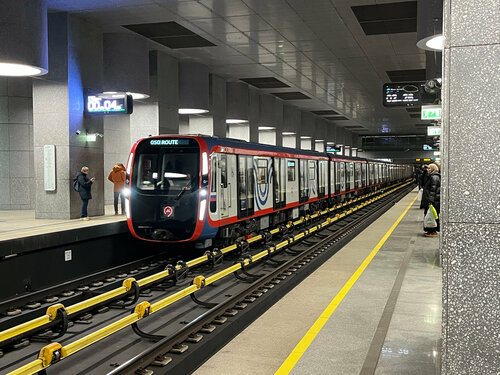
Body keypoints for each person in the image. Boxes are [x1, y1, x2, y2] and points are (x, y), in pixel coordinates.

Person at [421, 163, 440, 237]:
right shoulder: (432, 176)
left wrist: (430, 201)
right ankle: (431, 230)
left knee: (431, 216)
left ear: (433, 169)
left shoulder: (434, 177)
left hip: (433, 201)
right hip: (432, 200)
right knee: (431, 215)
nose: (427, 170)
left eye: (429, 168)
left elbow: (433, 190)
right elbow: (422, 181)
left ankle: (432, 231)